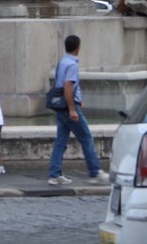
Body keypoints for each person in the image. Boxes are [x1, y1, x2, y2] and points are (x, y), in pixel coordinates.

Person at [48, 34, 107, 185]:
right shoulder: (72, 64)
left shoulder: (62, 62)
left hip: (60, 107)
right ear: (78, 47)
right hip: (68, 107)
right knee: (86, 138)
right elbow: (68, 86)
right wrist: (72, 109)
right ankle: (95, 172)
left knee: (61, 140)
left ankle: (55, 174)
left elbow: (61, 85)